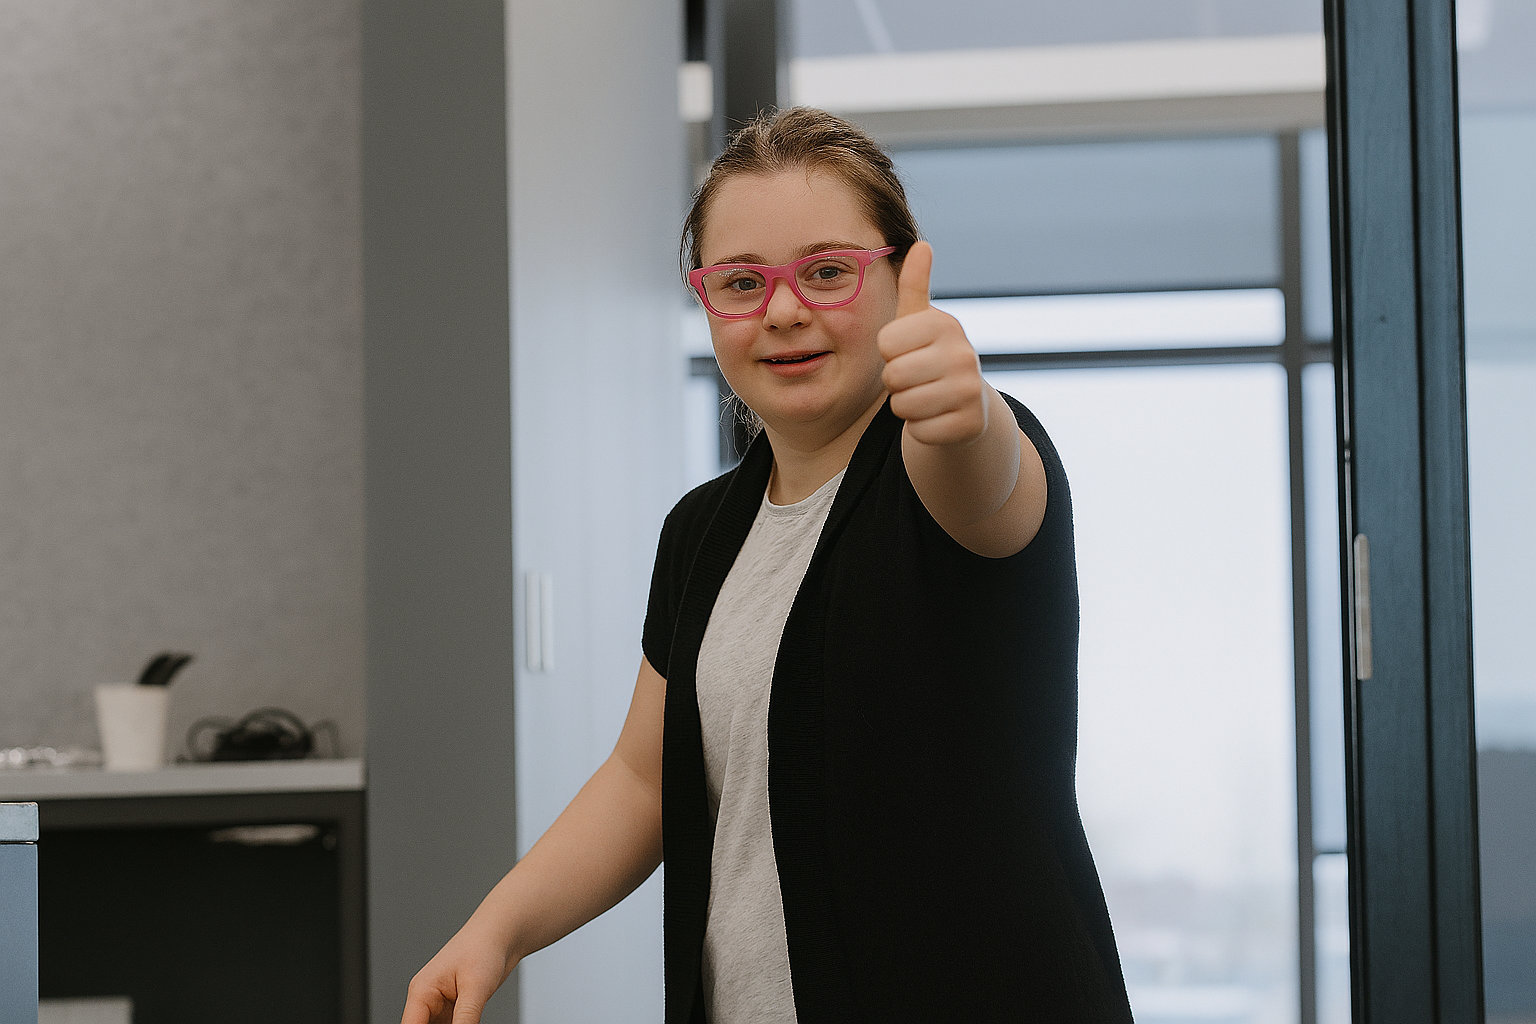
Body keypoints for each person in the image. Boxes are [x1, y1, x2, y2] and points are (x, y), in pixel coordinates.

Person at [402, 107, 1133, 1024]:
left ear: (904, 277)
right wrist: (494, 931)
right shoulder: (701, 531)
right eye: (742, 282)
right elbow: (644, 780)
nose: (784, 310)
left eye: (827, 272)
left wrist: (970, 412)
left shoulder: (949, 464)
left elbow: (981, 481)